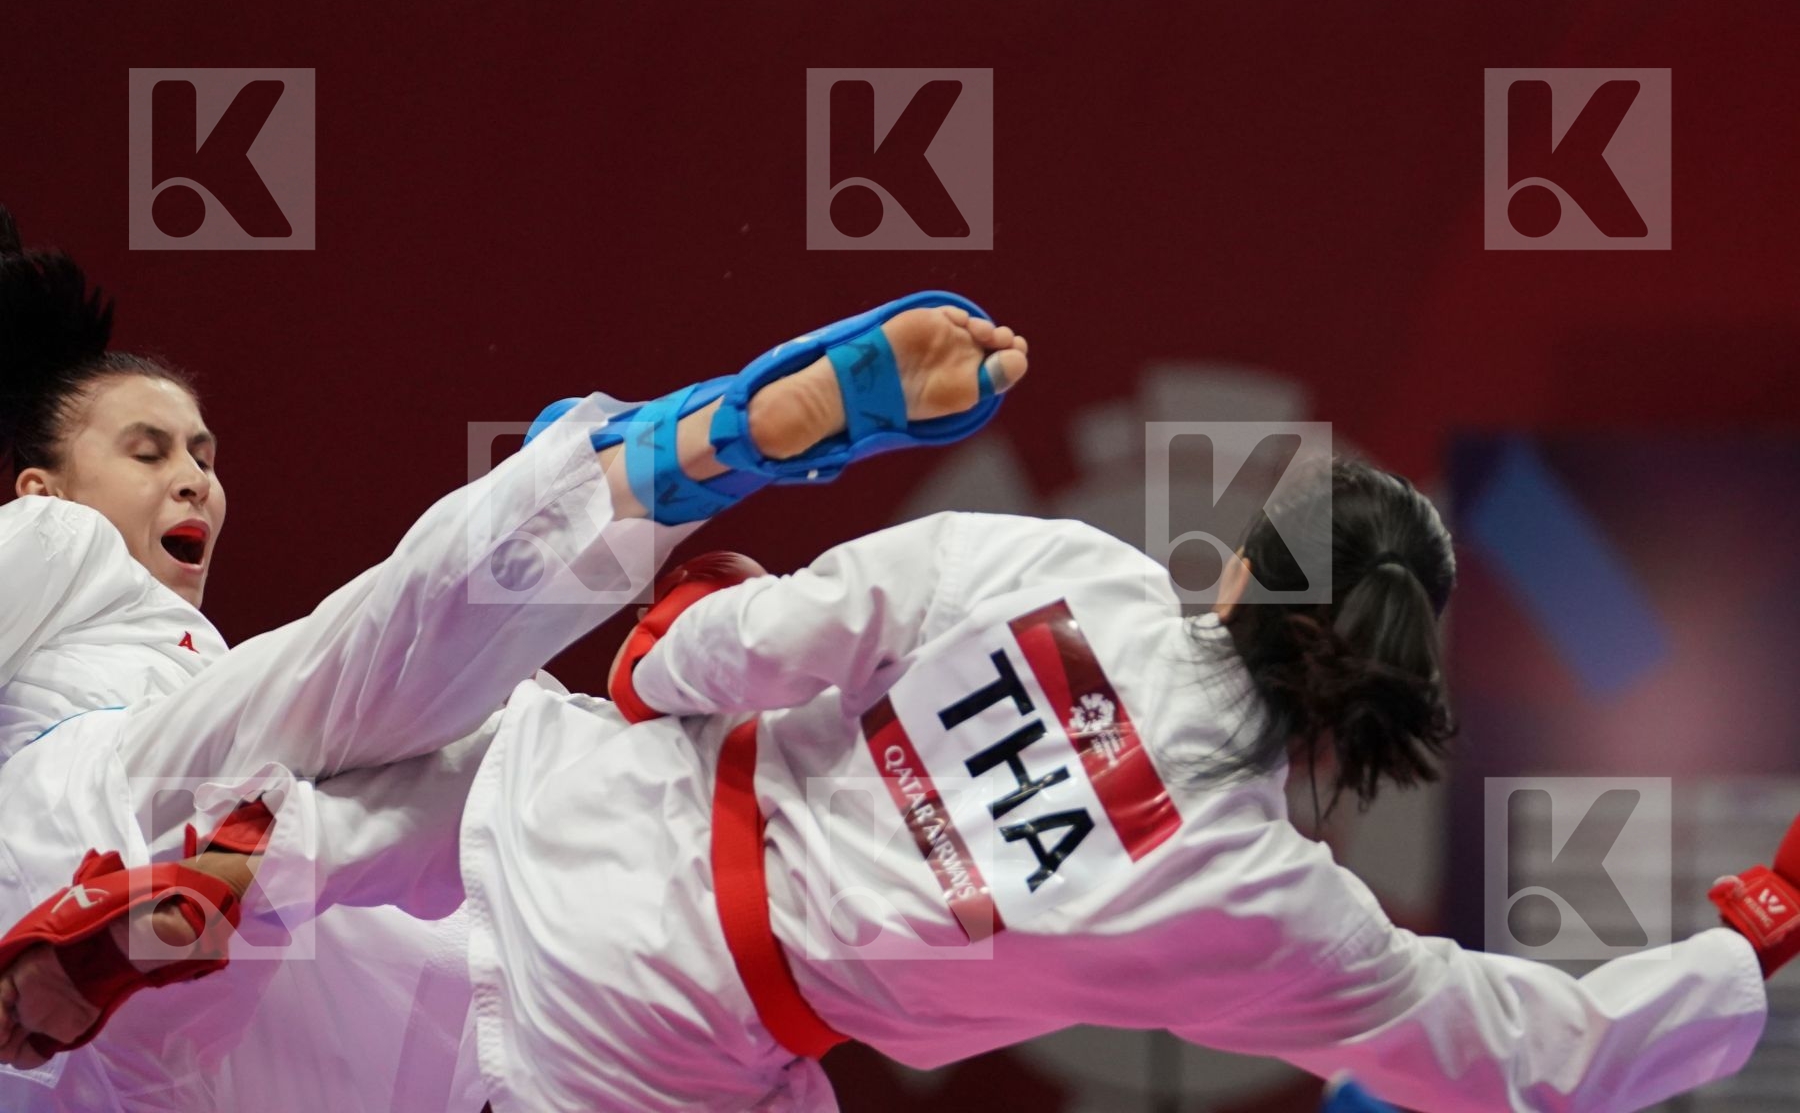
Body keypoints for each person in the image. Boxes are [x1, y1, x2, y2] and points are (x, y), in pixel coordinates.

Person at [11, 447, 1789, 1112]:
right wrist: (1749, 942)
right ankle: (234, 901)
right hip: (665, 1040)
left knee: (468, 733)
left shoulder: (1074, 579)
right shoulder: (1262, 904)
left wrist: (678, 640)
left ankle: (248, 870)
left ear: (1248, 570)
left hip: (579, 815)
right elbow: (1514, 1051)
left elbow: (748, 648)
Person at [0, 206, 1030, 1108]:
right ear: (41, 486)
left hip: (142, 1026)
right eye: (148, 451)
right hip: (85, 822)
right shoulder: (56, 539)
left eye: (204, 455)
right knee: (429, 698)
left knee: (509, 790)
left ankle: (619, 539)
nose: (194, 480)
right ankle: (676, 461)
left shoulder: (197, 663)